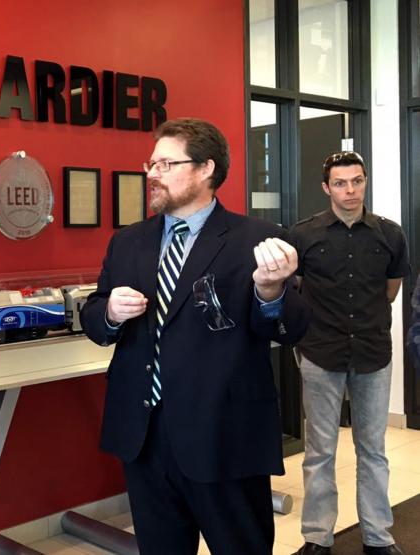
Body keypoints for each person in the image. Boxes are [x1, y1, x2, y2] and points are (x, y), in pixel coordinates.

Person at [80, 118, 310, 554]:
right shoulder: (129, 241)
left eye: (166, 163)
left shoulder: (258, 240)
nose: (152, 173)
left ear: (206, 168)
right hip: (144, 436)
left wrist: (271, 290)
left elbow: (291, 328)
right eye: (152, 163)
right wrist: (109, 311)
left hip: (225, 434)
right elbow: (96, 322)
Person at [290, 151, 408, 555]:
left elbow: (390, 290)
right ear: (327, 188)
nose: (350, 189)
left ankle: (378, 537)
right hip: (320, 353)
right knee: (320, 451)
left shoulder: (390, 234)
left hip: (373, 353)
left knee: (372, 450)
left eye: (357, 180)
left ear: (365, 181)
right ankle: (317, 537)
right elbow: (297, 290)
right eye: (341, 183)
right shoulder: (303, 235)